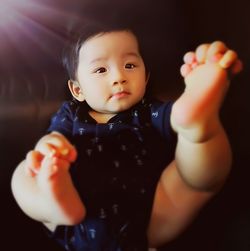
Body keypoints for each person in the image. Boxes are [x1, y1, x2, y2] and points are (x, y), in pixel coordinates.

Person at [11, 23, 242, 251]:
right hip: (74, 209)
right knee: (24, 174)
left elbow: (173, 120)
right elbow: (55, 135)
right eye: (101, 70)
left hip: (152, 213)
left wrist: (189, 117)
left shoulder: (149, 111)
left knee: (191, 172)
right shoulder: (72, 114)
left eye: (130, 65)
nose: (119, 77)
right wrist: (49, 149)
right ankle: (54, 202)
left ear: (146, 77)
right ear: (78, 90)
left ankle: (200, 124)